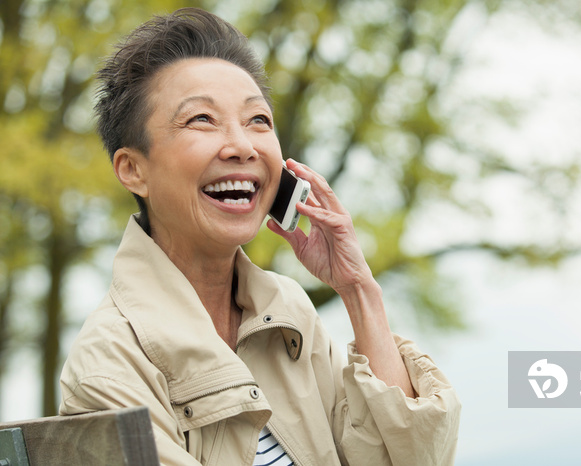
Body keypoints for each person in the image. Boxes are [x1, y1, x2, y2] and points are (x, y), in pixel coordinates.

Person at [59, 7, 460, 466]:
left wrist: (358, 290)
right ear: (133, 169)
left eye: (258, 121)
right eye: (202, 120)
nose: (243, 146)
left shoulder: (287, 314)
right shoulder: (109, 362)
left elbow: (410, 459)